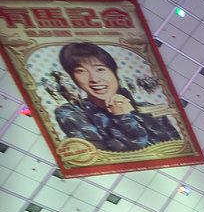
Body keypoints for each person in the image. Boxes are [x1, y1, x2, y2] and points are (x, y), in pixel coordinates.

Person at [51, 42, 185, 155]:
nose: (94, 79)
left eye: (100, 69)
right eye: (80, 71)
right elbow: (113, 156)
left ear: (113, 71)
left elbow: (174, 150)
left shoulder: (147, 108)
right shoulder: (72, 113)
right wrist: (123, 118)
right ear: (74, 78)